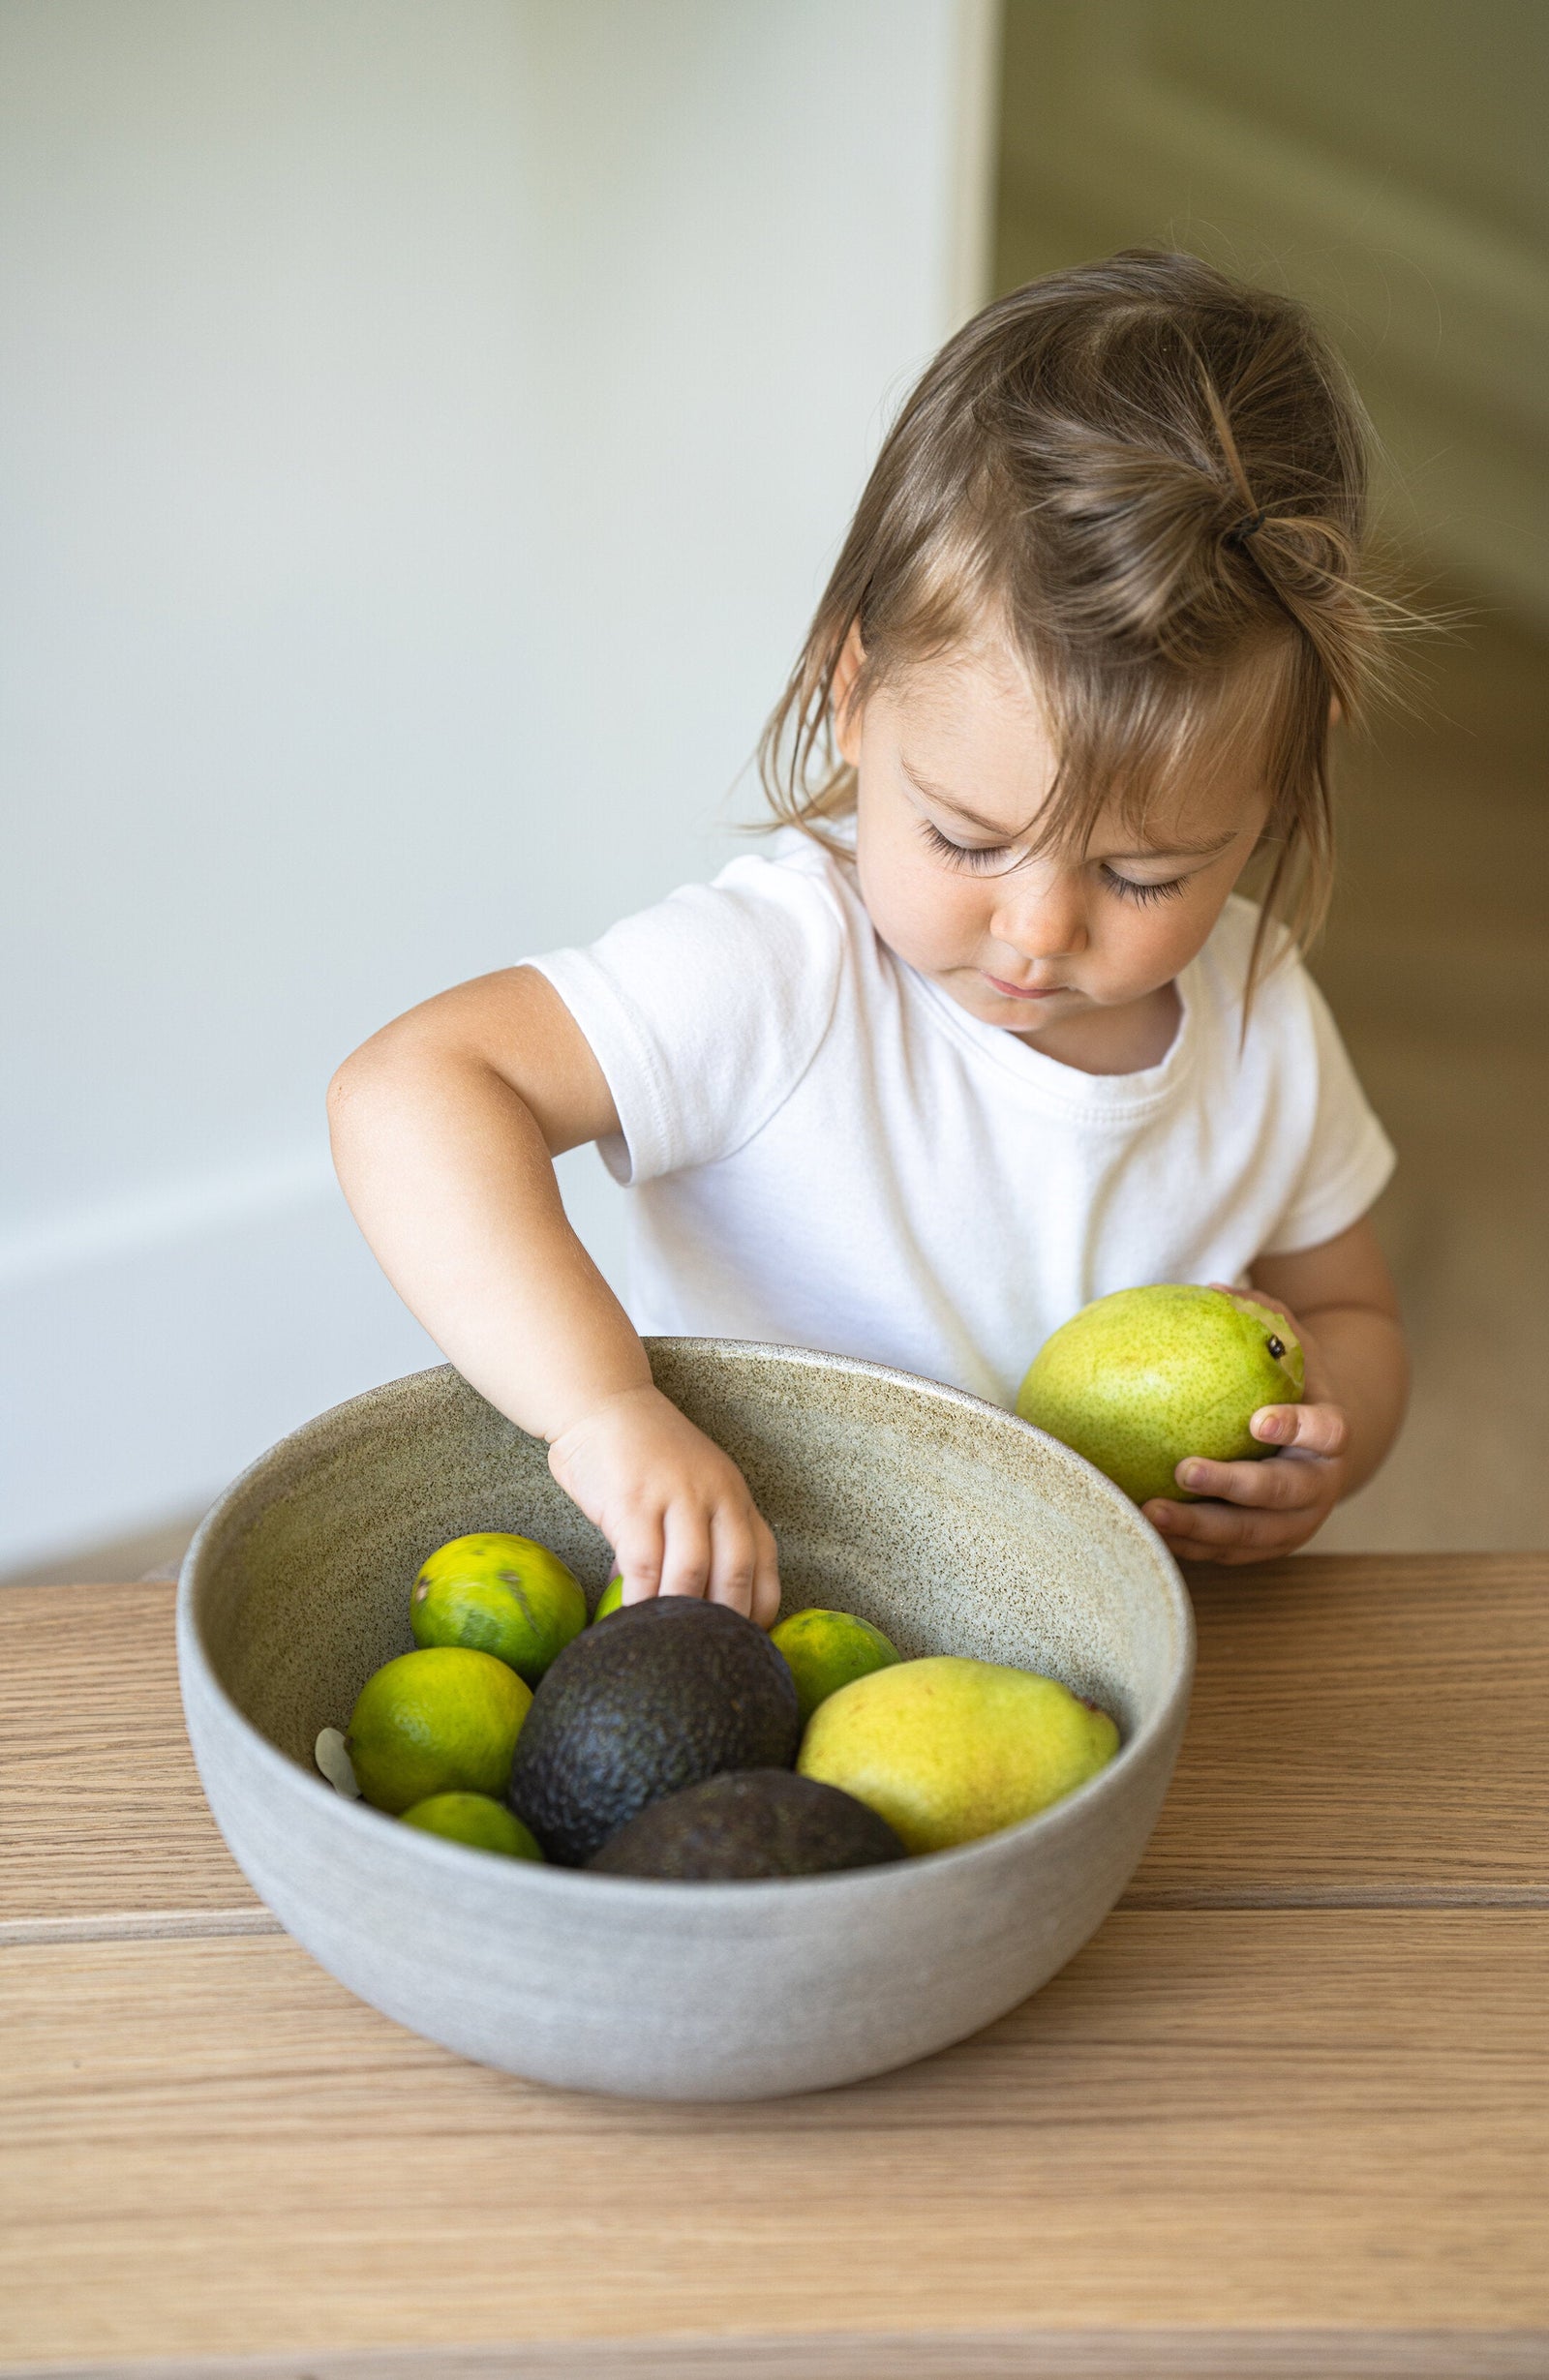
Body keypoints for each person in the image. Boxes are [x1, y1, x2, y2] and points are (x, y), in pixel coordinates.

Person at [329, 250, 1411, 1627]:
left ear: (1274, 787)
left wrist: (1326, 1444)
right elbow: (409, 1095)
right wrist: (601, 1408)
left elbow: (1358, 1324)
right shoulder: (781, 977)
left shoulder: (1261, 1020)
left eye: (1146, 874)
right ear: (854, 694)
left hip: (1077, 1644)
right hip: (749, 1623)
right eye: (967, 839)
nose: (1038, 927)